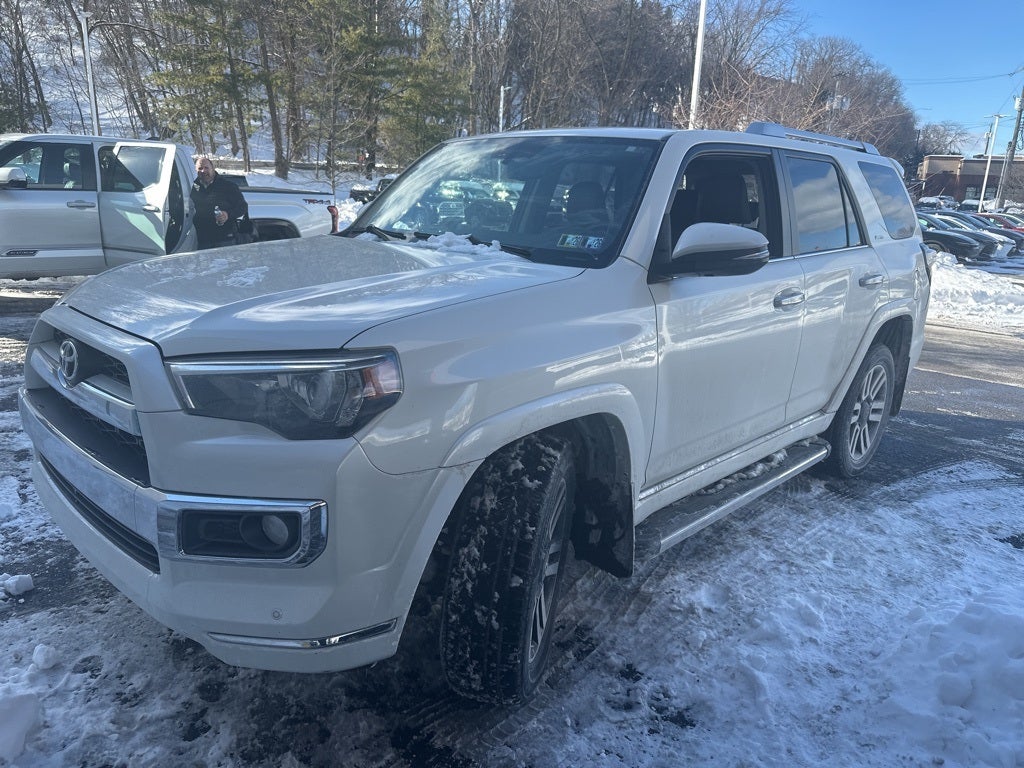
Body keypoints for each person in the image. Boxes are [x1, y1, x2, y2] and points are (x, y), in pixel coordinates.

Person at [190, 157, 248, 249]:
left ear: (212, 168)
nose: (203, 171)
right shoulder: (193, 187)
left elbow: (243, 207)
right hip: (203, 240)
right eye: (200, 168)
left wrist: (227, 214)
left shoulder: (228, 186)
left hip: (225, 240)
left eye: (206, 167)